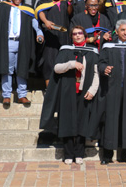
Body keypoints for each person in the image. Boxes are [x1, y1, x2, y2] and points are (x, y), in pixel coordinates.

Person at [39, 26, 99, 165]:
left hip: (85, 92)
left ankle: (79, 154)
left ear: (85, 35)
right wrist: (72, 64)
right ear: (71, 37)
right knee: (66, 123)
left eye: (80, 33)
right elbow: (56, 68)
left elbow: (96, 74)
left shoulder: (93, 52)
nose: (78, 36)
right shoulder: (65, 50)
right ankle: (68, 154)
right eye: (74, 34)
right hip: (67, 92)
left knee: (81, 123)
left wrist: (92, 90)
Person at [0, 0, 44, 106]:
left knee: (22, 68)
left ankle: (22, 95)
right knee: (6, 69)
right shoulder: (2, 7)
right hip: (7, 43)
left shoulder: (27, 9)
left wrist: (39, 33)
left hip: (23, 43)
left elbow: (35, 23)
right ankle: (6, 95)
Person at [97, 19, 126, 165]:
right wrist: (104, 69)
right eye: (122, 30)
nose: (125, 33)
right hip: (112, 88)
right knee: (111, 120)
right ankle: (107, 154)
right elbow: (101, 63)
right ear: (116, 32)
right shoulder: (108, 46)